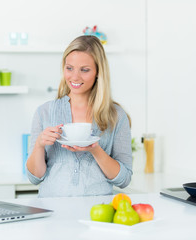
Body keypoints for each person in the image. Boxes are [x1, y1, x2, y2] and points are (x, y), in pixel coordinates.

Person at [26, 35, 133, 197]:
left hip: (97, 211)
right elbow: (34, 178)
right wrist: (40, 145)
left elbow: (124, 180)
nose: (75, 77)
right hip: (51, 209)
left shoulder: (116, 116)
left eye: (84, 70)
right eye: (69, 68)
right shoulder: (44, 112)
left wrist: (95, 150)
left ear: (98, 72)